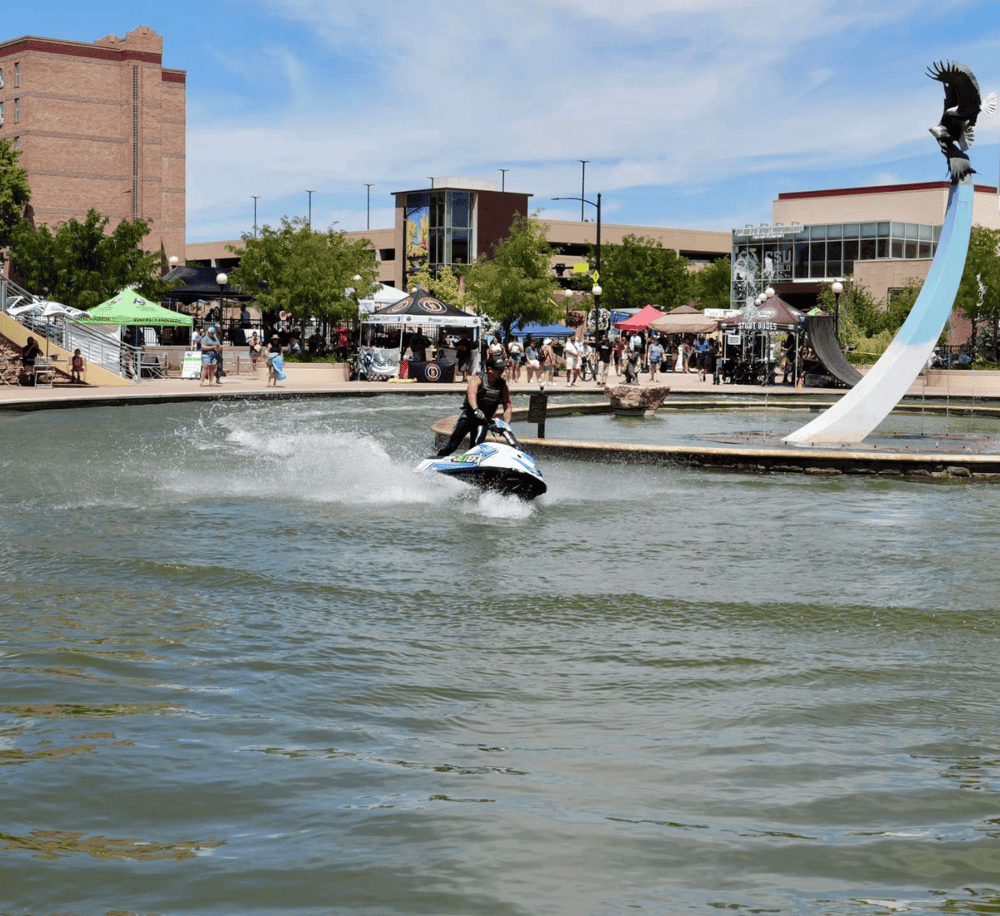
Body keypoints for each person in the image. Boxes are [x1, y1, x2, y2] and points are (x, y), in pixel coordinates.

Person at [435, 355, 513, 457]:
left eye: (503, 369)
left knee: (476, 447)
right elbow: (471, 393)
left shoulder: (502, 386)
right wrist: (476, 409)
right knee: (452, 446)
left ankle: (472, 470)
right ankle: (436, 459)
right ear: (490, 370)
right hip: (468, 417)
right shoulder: (477, 379)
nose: (502, 372)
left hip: (483, 421)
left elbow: (507, 405)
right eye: (499, 370)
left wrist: (506, 425)